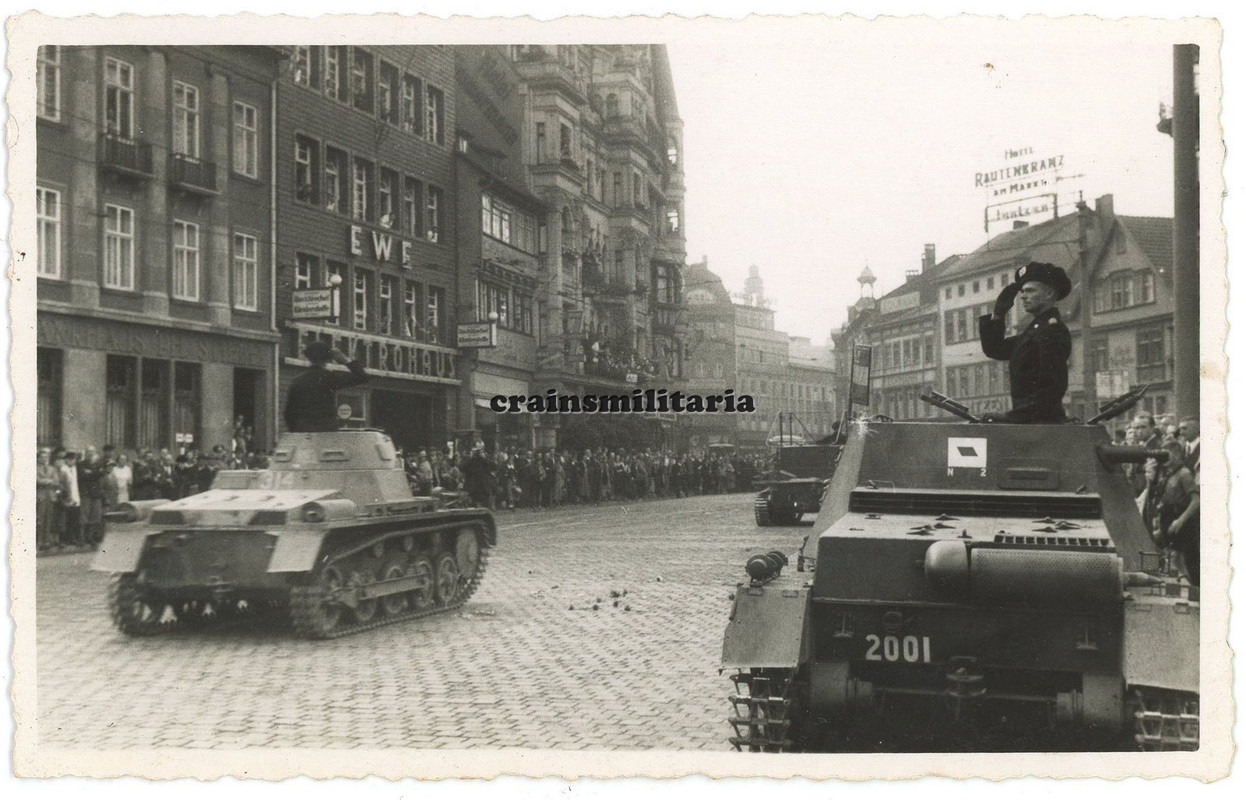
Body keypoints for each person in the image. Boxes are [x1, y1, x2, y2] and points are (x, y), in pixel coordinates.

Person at [978, 261, 1072, 423]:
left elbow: (1052, 388)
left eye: (1030, 290)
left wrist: (1013, 417)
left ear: (1049, 294)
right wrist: (998, 315)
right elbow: (995, 349)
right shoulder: (1035, 331)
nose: (1022, 296)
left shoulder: (1052, 331)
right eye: (1022, 291)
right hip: (1030, 422)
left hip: (1042, 423)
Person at [284, 341, 369, 432]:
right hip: (327, 432)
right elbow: (363, 377)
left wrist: (296, 431)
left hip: (303, 433)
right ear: (328, 359)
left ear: (308, 357)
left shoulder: (297, 381)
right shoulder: (330, 378)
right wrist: (346, 361)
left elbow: (288, 413)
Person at [1151, 440, 1200, 586]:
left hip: (1181, 523)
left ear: (1177, 455)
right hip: (1168, 521)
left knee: (1179, 560)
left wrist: (1180, 521)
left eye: (1167, 454)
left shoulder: (1184, 474)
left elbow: (1196, 500)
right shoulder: (1167, 474)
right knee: (1170, 560)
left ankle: (1190, 590)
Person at [36, 448, 61, 552]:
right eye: (42, 457)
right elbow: (37, 480)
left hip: (50, 496)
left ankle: (46, 541)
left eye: (46, 457)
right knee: (40, 519)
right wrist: (49, 481)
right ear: (38, 458)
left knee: (49, 519)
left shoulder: (53, 468)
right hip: (40, 496)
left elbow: (57, 481)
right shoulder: (35, 468)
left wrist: (46, 481)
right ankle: (39, 542)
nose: (44, 459)